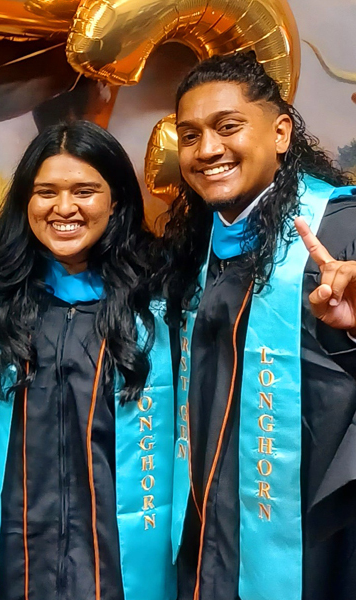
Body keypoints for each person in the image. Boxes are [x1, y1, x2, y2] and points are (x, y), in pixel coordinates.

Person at [159, 51, 356, 600]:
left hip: (314, 540)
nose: (208, 150)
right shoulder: (195, 245)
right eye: (190, 135)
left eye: (228, 128)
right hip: (210, 540)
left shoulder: (339, 231)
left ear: (281, 133)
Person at [0, 121, 177, 600]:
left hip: (116, 565)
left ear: (117, 200)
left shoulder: (162, 303)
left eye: (85, 191)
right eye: (46, 191)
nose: (64, 208)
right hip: (19, 561)